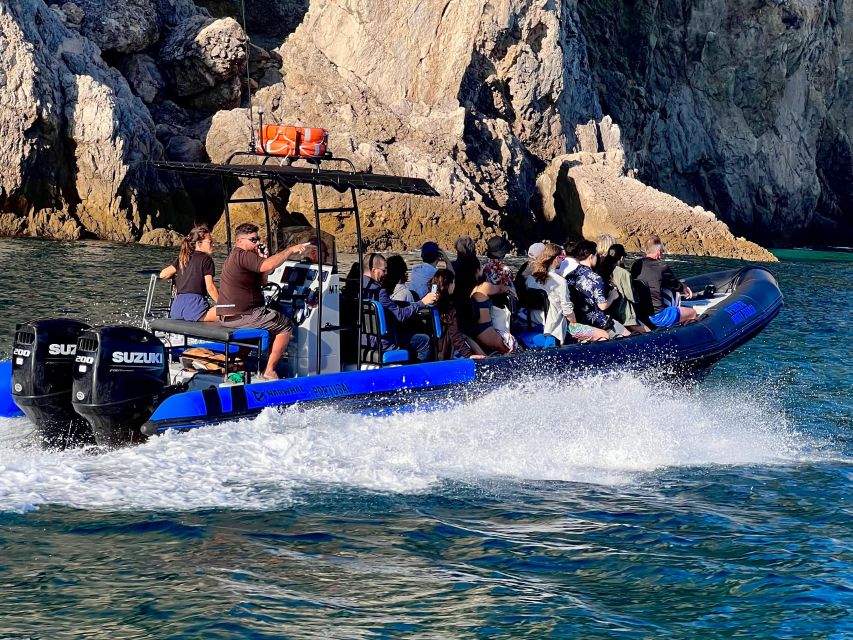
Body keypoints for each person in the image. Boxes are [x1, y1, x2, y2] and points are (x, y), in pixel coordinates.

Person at [217, 223, 314, 380]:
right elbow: (269, 264)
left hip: (231, 317)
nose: (256, 243)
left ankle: (239, 362)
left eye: (258, 240)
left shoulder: (238, 257)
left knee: (262, 322)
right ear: (239, 241)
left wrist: (262, 259)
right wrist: (290, 250)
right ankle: (269, 370)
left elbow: (263, 280)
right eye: (253, 240)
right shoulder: (243, 254)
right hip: (243, 315)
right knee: (285, 325)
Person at [362, 253, 438, 362]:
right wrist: (422, 302)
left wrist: (404, 304)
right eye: (384, 270)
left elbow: (387, 305)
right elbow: (400, 315)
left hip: (363, 340)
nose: (386, 273)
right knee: (424, 341)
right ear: (374, 270)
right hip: (383, 343)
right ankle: (420, 375)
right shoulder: (379, 291)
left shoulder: (358, 288)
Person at [527, 243, 607, 343]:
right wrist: (575, 323)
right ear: (555, 259)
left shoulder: (530, 279)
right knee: (604, 335)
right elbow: (568, 311)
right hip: (556, 326)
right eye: (561, 257)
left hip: (535, 320)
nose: (563, 260)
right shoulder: (560, 282)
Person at [564, 240, 630, 338]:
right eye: (596, 255)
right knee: (627, 335)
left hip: (578, 321)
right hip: (598, 322)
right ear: (591, 257)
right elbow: (602, 306)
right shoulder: (596, 278)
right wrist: (613, 296)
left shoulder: (569, 276)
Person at [630, 235, 698, 328]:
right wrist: (684, 287)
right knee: (692, 313)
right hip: (657, 316)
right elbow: (675, 285)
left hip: (639, 314)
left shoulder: (636, 265)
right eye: (662, 252)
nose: (662, 254)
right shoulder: (661, 266)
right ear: (658, 252)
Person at [159, 225, 219, 322]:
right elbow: (210, 288)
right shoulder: (206, 259)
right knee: (231, 313)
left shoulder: (183, 259)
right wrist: (223, 305)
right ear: (199, 243)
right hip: (195, 307)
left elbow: (163, 274)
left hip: (177, 308)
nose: (212, 244)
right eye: (209, 242)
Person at [428, 269, 485, 360]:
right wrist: (468, 355)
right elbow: (454, 333)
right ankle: (485, 358)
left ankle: (484, 355)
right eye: (453, 282)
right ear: (449, 285)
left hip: (435, 343)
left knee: (465, 336)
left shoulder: (429, 298)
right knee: (464, 336)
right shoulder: (449, 306)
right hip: (444, 347)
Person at [598, 244, 649, 334]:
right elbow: (631, 296)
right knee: (648, 332)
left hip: (609, 311)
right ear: (621, 258)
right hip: (623, 313)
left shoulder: (601, 270)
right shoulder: (623, 273)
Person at [482, 236, 515, 333]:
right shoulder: (505, 270)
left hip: (485, 306)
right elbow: (511, 290)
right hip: (500, 307)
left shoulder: (482, 267)